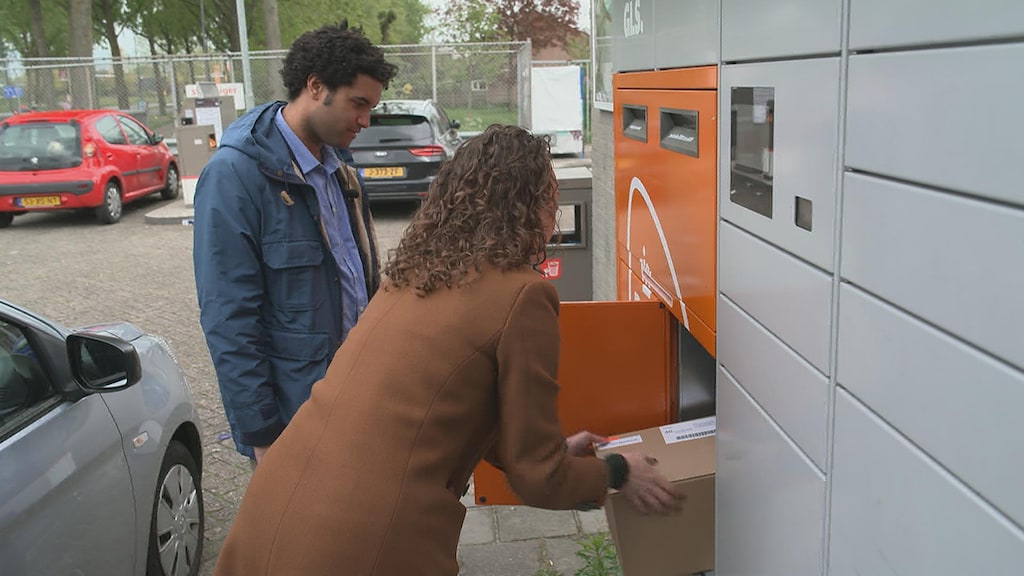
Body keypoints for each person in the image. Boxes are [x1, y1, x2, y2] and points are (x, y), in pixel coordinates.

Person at [212, 125, 681, 576]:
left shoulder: (412, 275)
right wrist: (618, 472)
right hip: (365, 543)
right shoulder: (522, 295)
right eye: (549, 200)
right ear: (529, 205)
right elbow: (537, 476)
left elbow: (436, 408)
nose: (552, 218)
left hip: (276, 509)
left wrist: (554, 448)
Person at [193, 22, 397, 464]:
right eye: (358, 104)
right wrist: (262, 433)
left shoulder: (341, 170)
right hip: (293, 420)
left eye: (371, 108)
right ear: (316, 86)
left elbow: (359, 284)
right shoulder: (235, 177)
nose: (365, 121)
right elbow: (229, 319)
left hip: (357, 401)